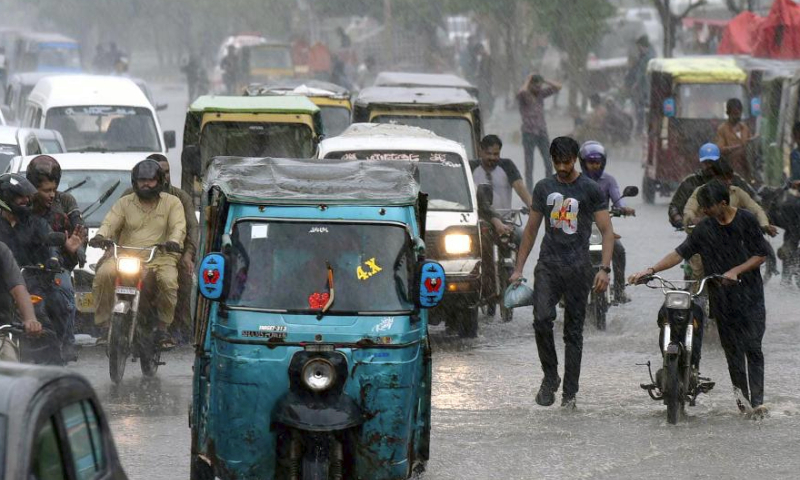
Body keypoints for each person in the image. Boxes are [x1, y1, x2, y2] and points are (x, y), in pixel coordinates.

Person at [630, 179, 770, 416]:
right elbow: (679, 253)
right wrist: (651, 270)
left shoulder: (746, 220)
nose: (704, 211)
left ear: (723, 203)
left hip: (750, 296)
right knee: (733, 352)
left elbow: (761, 254)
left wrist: (736, 271)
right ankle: (743, 404)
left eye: (708, 206)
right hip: (722, 299)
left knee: (753, 347)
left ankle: (758, 403)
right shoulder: (705, 229)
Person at [509, 136, 615, 409]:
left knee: (573, 333)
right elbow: (531, 230)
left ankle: (570, 394)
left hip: (579, 268)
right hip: (548, 266)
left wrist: (604, 269)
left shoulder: (591, 190)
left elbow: (607, 232)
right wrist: (518, 268)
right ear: (552, 160)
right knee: (542, 319)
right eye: (558, 162)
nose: (563, 167)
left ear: (575, 160)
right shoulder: (544, 187)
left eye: (567, 162)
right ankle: (550, 376)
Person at [90, 160, 186, 348]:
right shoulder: (124, 203)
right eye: (142, 180)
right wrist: (101, 235)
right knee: (103, 274)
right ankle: (105, 325)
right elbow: (110, 222)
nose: (146, 184)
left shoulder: (173, 203)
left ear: (160, 182)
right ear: (134, 182)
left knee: (168, 282)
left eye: (151, 180)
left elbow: (178, 227)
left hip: (160, 256)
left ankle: (162, 327)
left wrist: (174, 241)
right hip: (125, 255)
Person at [0, 173, 79, 361]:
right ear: (6, 198)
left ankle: (61, 351)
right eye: (20, 197)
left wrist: (54, 259)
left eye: (28, 197)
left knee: (58, 303)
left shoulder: (37, 223)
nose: (26, 201)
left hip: (35, 282)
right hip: (3, 288)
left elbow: (51, 243)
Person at [122, 154, 198, 342]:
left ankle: (177, 328)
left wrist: (187, 254)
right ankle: (113, 327)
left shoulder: (180, 197)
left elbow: (192, 228)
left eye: (166, 172)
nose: (164, 176)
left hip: (171, 253)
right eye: (158, 173)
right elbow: (117, 222)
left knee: (182, 280)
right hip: (136, 253)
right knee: (107, 272)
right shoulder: (129, 196)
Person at [26, 155, 86, 360]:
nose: (51, 195)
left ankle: (66, 342)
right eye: (46, 190)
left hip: (56, 267)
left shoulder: (64, 204)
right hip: (25, 265)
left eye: (54, 189)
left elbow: (78, 236)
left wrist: (73, 250)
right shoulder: (22, 205)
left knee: (64, 293)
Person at [471, 135, 532, 315]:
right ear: (480, 151)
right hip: (482, 222)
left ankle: (515, 273)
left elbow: (520, 188)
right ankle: (485, 288)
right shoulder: (471, 168)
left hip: (506, 221)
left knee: (522, 238)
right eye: (488, 154)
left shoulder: (507, 166)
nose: (492, 158)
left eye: (496, 154)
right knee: (483, 251)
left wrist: (532, 206)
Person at [578, 141, 635, 303]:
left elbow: (617, 199)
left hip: (602, 231)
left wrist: (624, 208)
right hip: (579, 230)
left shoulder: (609, 180)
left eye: (598, 162)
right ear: (583, 163)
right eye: (591, 162)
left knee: (619, 250)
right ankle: (565, 292)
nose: (595, 166)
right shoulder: (576, 180)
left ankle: (619, 291)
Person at [668, 143, 755, 230]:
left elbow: (753, 200)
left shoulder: (734, 179)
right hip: (700, 231)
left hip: (732, 229)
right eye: (706, 162)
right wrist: (678, 219)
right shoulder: (691, 181)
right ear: (702, 163)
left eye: (712, 162)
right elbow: (675, 206)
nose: (709, 166)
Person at [517, 73, 562, 191]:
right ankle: (530, 191)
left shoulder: (541, 94)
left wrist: (545, 79)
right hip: (528, 133)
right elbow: (521, 92)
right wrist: (528, 79)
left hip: (542, 132)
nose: (538, 88)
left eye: (540, 86)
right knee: (529, 164)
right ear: (530, 85)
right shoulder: (524, 95)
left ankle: (548, 187)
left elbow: (558, 87)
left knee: (548, 161)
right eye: (536, 86)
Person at [715, 98, 755, 183]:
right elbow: (720, 149)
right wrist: (737, 147)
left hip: (745, 172)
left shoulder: (744, 128)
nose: (737, 117)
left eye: (739, 114)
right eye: (734, 114)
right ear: (728, 114)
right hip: (730, 172)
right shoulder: (722, 129)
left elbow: (750, 145)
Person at [624, 35, 654, 136]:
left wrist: (635, 84)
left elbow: (642, 75)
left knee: (641, 110)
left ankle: (640, 130)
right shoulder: (645, 56)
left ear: (642, 46)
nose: (638, 49)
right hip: (644, 89)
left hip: (645, 89)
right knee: (641, 110)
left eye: (639, 47)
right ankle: (641, 129)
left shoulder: (648, 57)